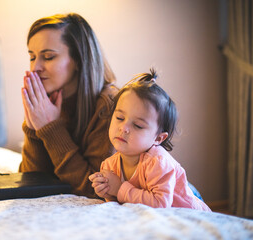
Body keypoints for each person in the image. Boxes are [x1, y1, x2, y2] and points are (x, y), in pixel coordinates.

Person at [19, 13, 118, 198]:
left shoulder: (109, 106)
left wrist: (51, 129)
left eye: (48, 57)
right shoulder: (47, 102)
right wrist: (33, 129)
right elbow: (31, 181)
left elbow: (94, 191)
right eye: (32, 57)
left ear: (79, 60)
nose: (35, 68)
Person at [89, 69, 211, 211]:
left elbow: (160, 203)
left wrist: (119, 188)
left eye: (138, 125)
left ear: (158, 138)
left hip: (191, 216)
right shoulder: (110, 165)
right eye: (120, 118)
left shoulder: (157, 162)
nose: (124, 128)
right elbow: (121, 202)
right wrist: (106, 191)